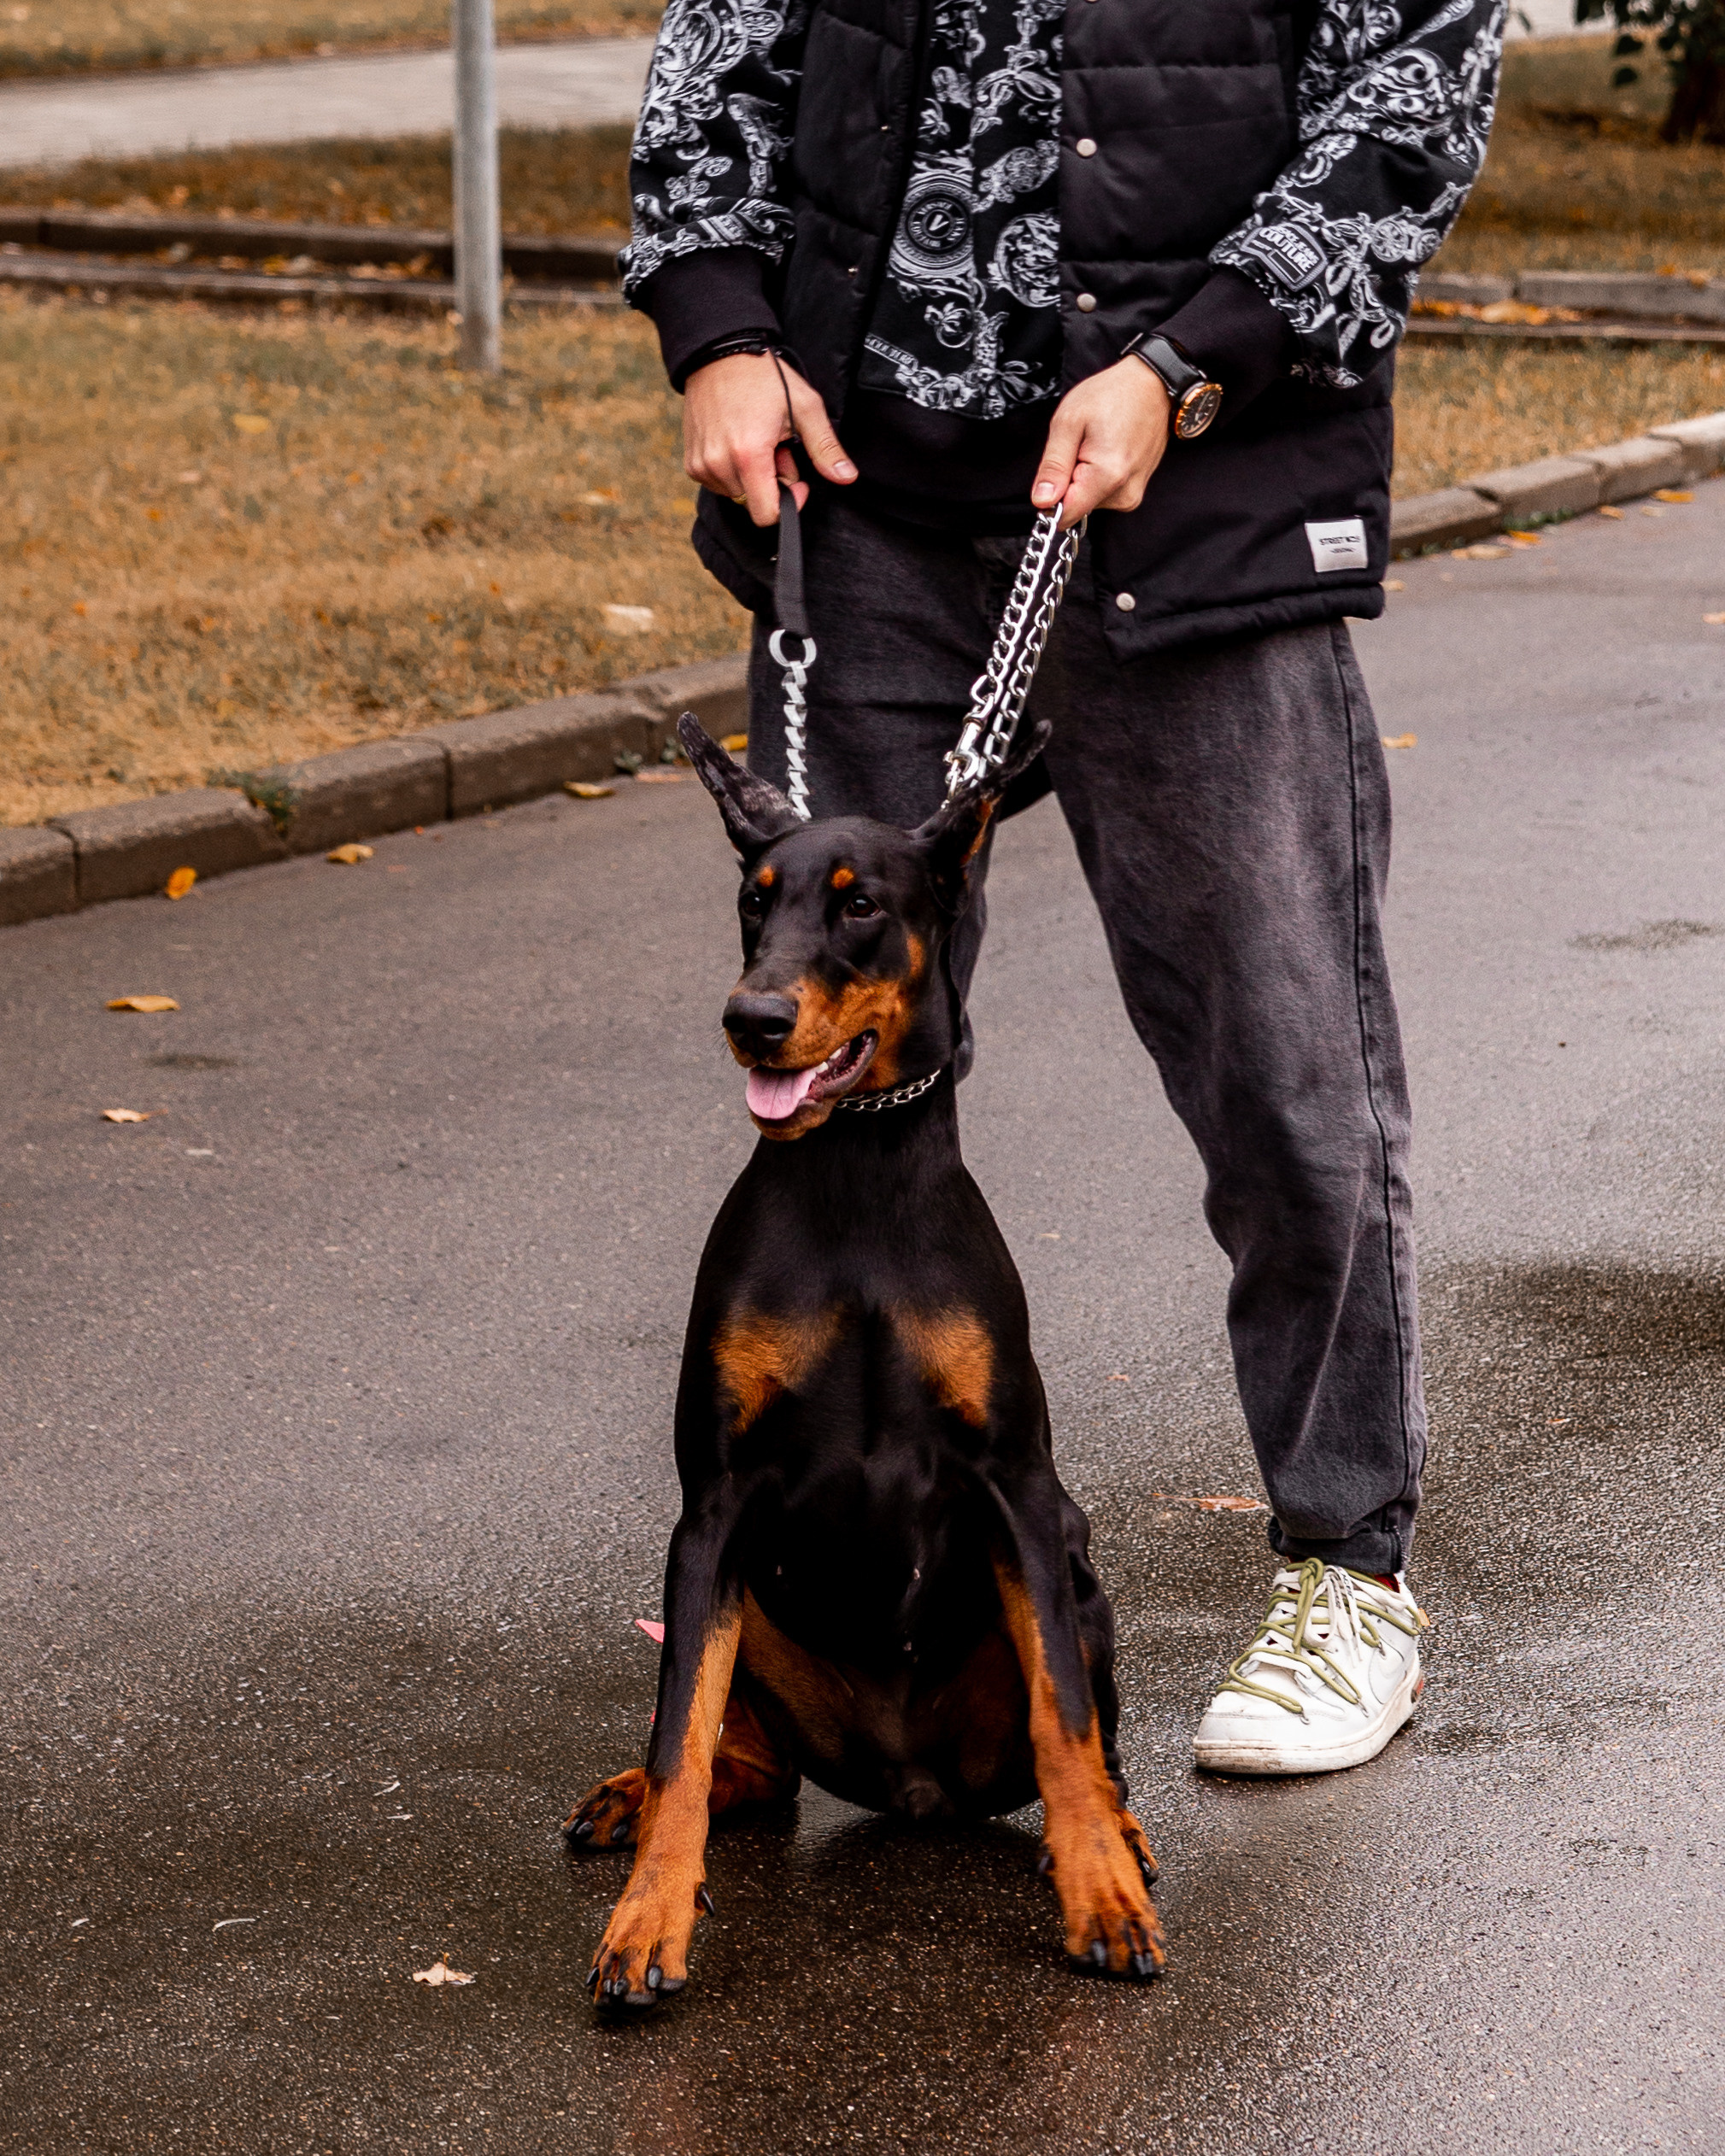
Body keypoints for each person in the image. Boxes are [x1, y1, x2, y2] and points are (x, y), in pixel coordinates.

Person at [620, 0, 1508, 1774]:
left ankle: (1347, 1566)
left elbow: (1414, 88)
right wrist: (718, 326)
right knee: (833, 1069)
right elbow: (714, 54)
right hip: (863, 508)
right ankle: (809, 1593)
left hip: (1192, 500)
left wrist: (1186, 360)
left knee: (1281, 1059)